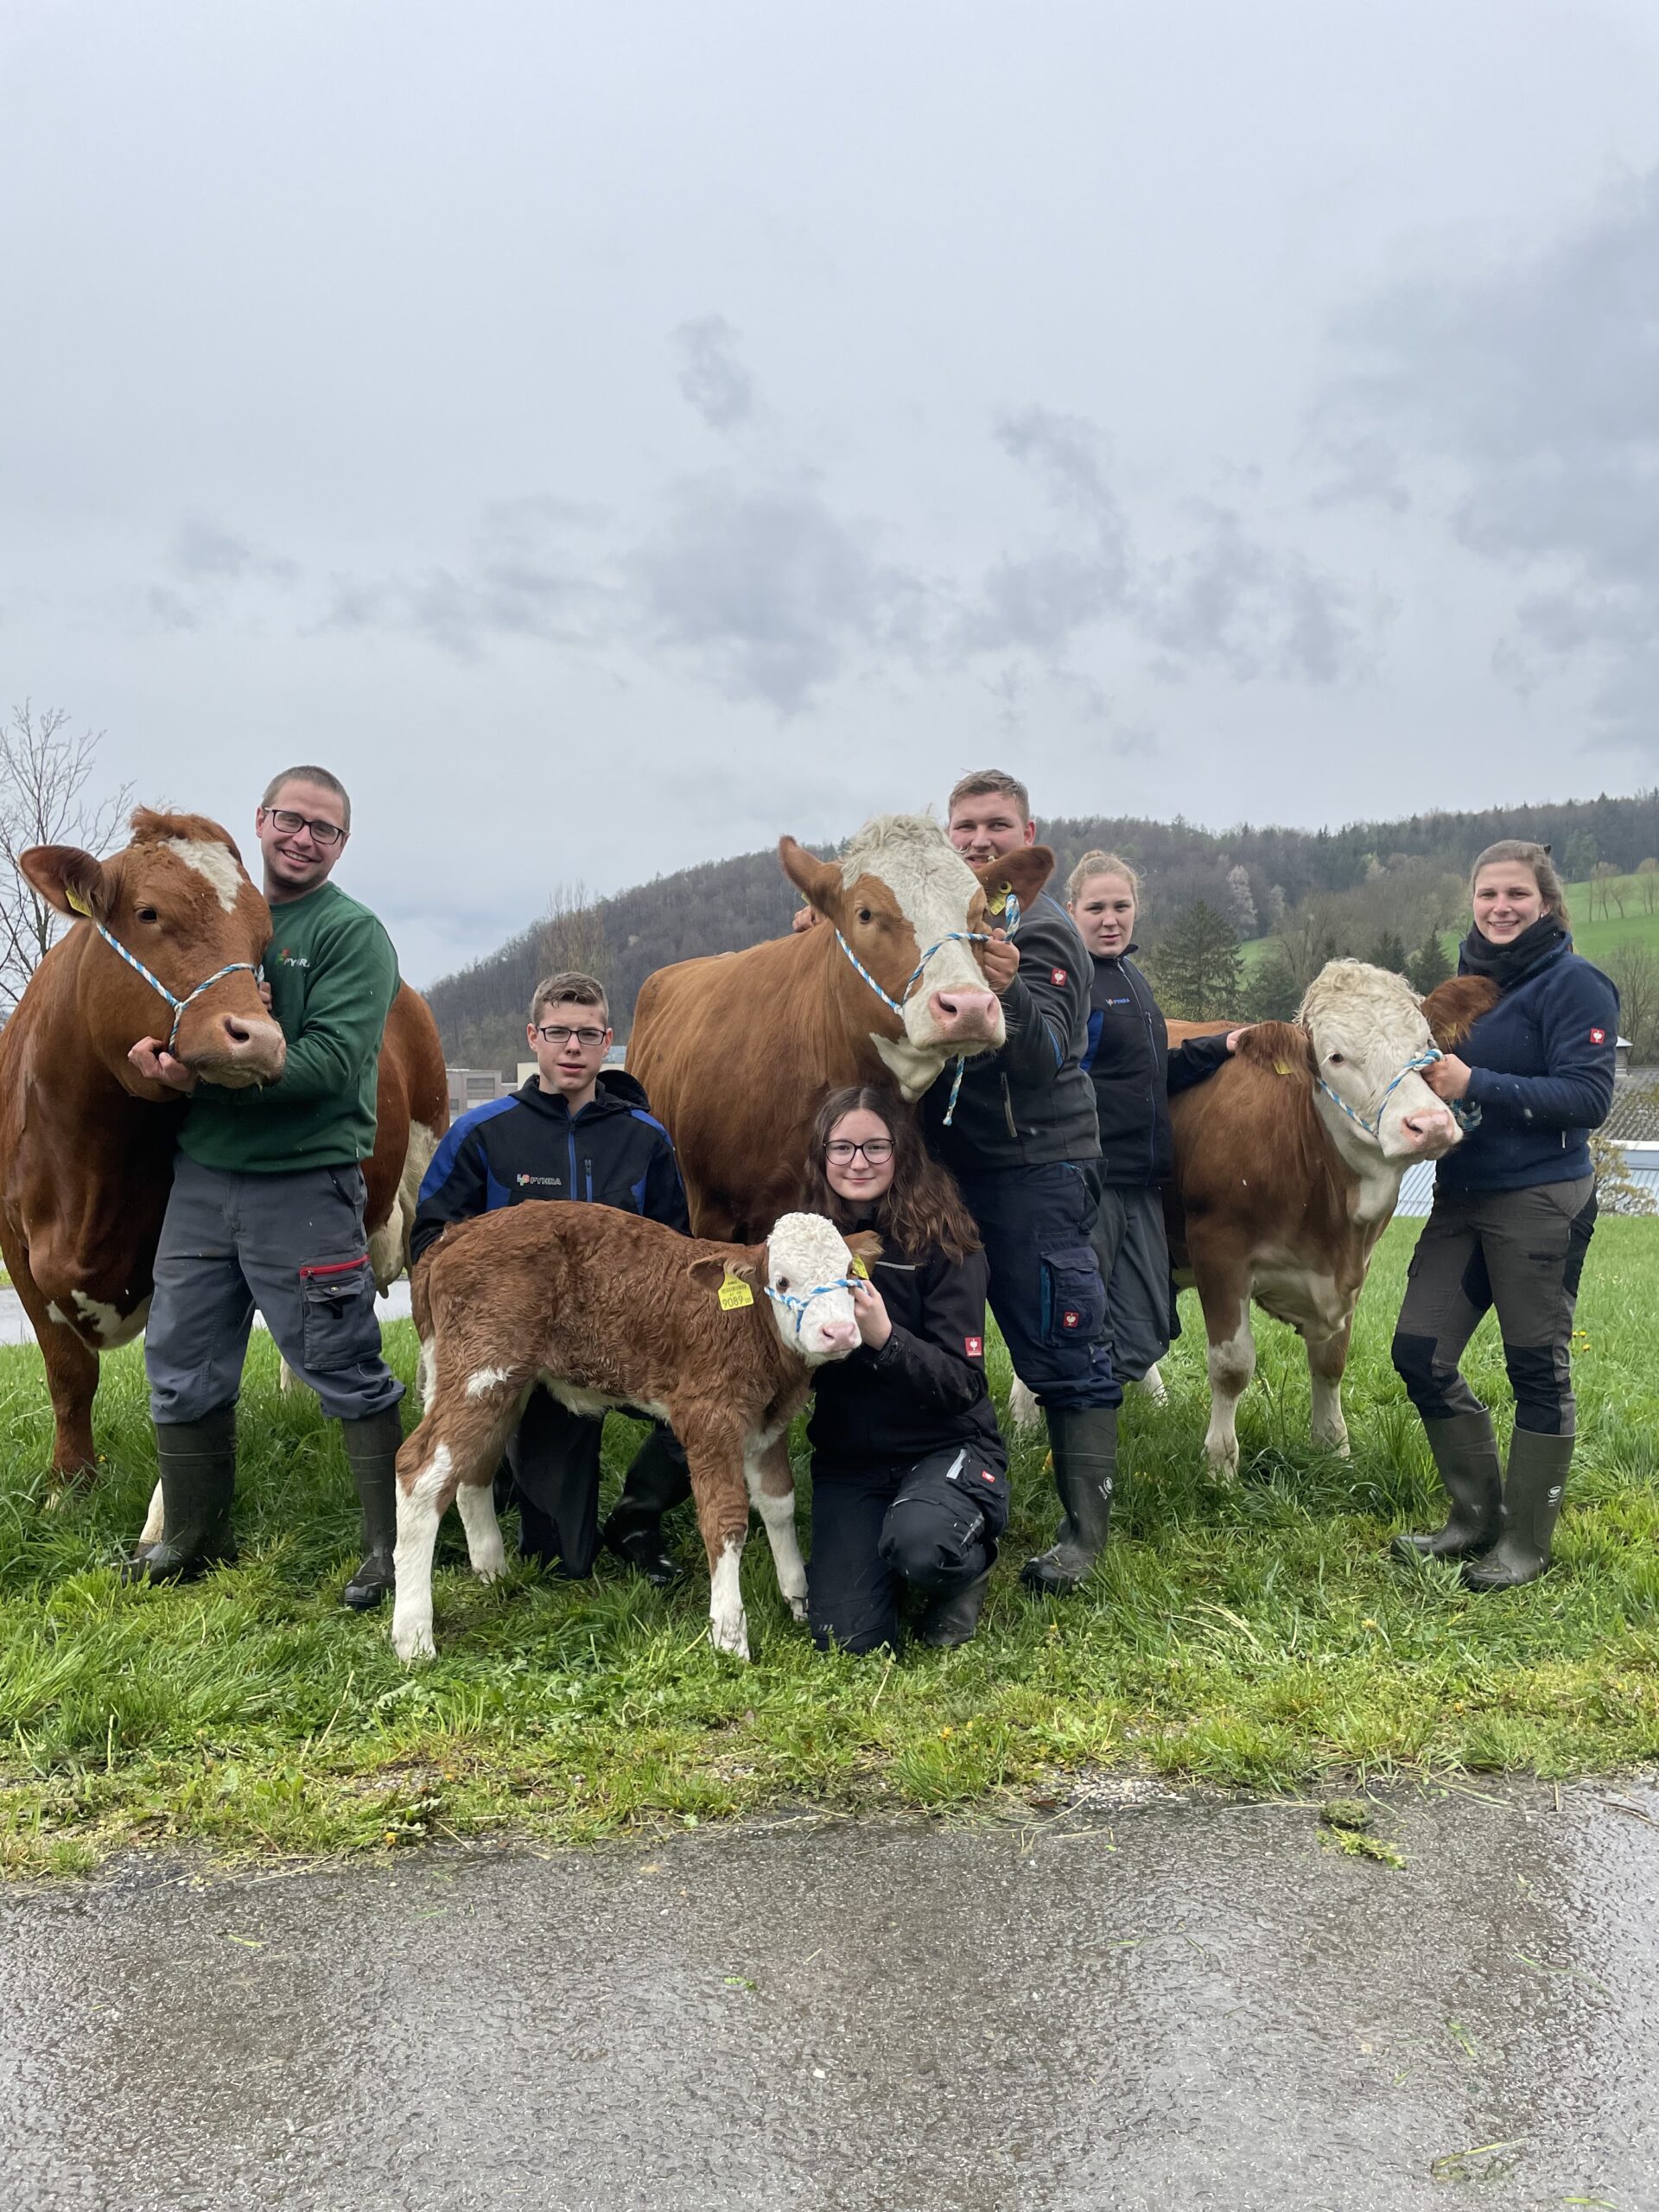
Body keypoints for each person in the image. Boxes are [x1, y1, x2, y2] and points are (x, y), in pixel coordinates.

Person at [127, 766, 406, 1606]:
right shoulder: (217, 916)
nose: (303, 838)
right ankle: (190, 1536)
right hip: (203, 1180)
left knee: (344, 1360)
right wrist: (158, 1066)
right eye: (291, 819)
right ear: (260, 819)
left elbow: (330, 1063)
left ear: (341, 844)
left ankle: (387, 1548)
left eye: (324, 829)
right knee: (179, 1359)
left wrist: (215, 1068)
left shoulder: (352, 934)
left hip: (304, 1181)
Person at [410, 970, 690, 1581]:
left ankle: (639, 1514)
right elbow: (431, 1243)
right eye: (559, 1032)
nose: (573, 1048)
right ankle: (507, 1461)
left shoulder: (644, 1138)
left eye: (588, 1035)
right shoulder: (481, 1133)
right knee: (562, 1562)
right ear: (533, 1036)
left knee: (718, 1402)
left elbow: (679, 1252)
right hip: (531, 1349)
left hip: (626, 1339)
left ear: (607, 1041)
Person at [1391, 841, 1617, 1590]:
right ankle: (1473, 1519)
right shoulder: (1464, 984)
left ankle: (1525, 1543)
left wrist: (1472, 1079)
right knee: (1420, 1353)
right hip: (1462, 1195)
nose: (1501, 907)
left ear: (1546, 902)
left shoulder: (1577, 983)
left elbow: (1588, 1100)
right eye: (1488, 894)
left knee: (1536, 1369)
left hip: (1540, 1199)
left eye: (1517, 894)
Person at [921, 769, 1117, 1599]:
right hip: (956, 1167)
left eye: (995, 826)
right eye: (963, 827)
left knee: (1062, 1336)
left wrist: (1008, 992)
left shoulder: (1042, 928)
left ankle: (1085, 1533)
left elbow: (1046, 1058)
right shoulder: (943, 922)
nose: (977, 841)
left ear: (1027, 834)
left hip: (1035, 1164)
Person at [803, 1084, 1007, 1653]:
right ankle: (884, 1550)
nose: (858, 1162)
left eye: (875, 1147)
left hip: (945, 1446)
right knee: (850, 1639)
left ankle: (964, 1564)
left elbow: (963, 1383)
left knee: (925, 1547)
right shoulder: (808, 1241)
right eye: (841, 1148)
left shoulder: (945, 1242)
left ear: (903, 1153)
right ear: (822, 1156)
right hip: (851, 1462)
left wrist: (886, 1338)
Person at [1067, 850, 1236, 1391]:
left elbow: (1154, 1071)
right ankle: (1076, 1441)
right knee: (1082, 1319)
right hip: (1092, 1180)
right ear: (1072, 911)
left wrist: (1223, 1046)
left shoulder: (1132, 979)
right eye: (1096, 907)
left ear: (1137, 908)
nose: (1110, 919)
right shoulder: (1071, 983)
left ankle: (1089, 1405)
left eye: (1121, 905)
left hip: (1143, 1179)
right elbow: (1054, 1080)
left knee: (1145, 1329)